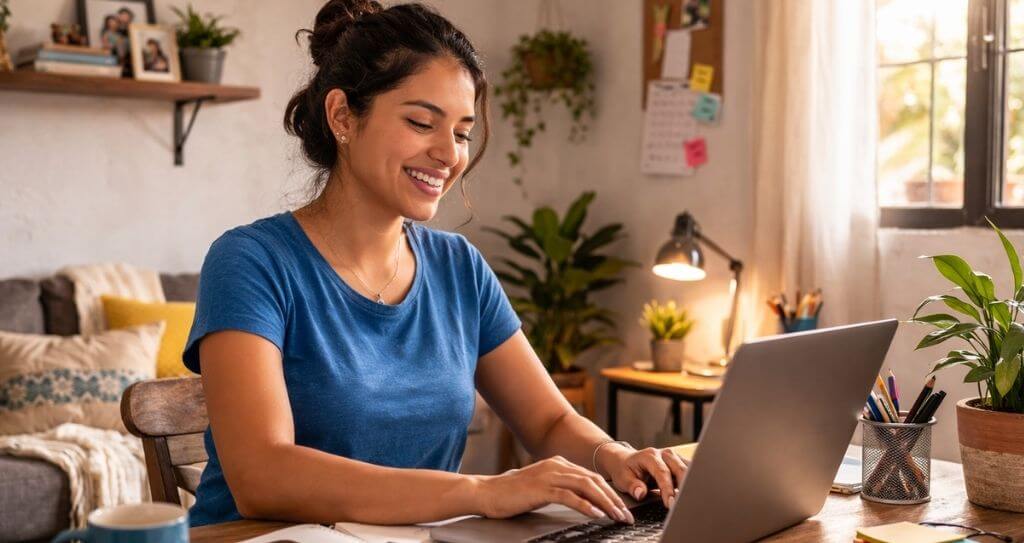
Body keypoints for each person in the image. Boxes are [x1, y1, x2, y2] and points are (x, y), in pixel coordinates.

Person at [183, 0, 688, 529]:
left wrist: (616, 457)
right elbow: (262, 475)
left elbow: (549, 418)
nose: (449, 154)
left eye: (463, 132)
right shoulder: (251, 262)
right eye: (422, 122)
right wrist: (483, 491)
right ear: (341, 117)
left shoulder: (458, 267)